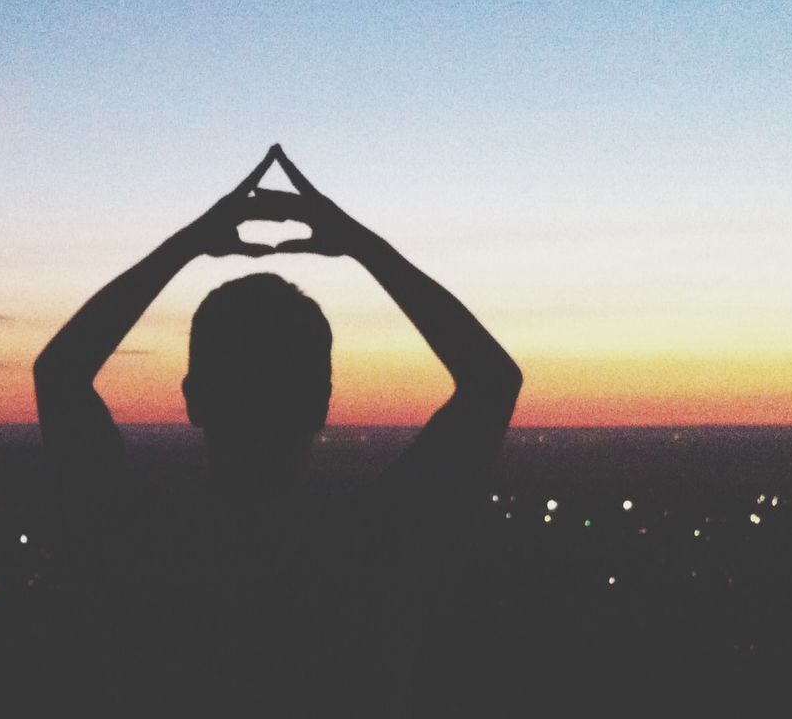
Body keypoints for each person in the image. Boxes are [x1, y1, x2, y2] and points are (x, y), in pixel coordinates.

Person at [33, 145, 522, 714]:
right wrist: (360, 244)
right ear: (322, 405)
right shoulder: (373, 548)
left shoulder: (141, 545)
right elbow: (491, 381)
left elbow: (60, 376)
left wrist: (188, 243)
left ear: (193, 400)